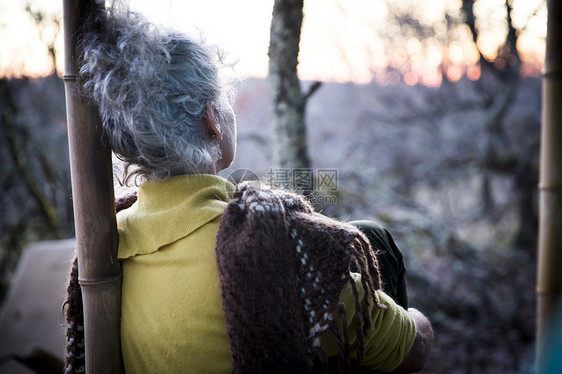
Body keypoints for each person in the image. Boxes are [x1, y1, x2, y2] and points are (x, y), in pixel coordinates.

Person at [64, 3, 433, 373]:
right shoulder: (277, 255)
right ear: (212, 120)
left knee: (368, 234)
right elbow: (413, 350)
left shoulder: (114, 241)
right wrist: (418, 318)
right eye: (225, 100)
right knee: (378, 242)